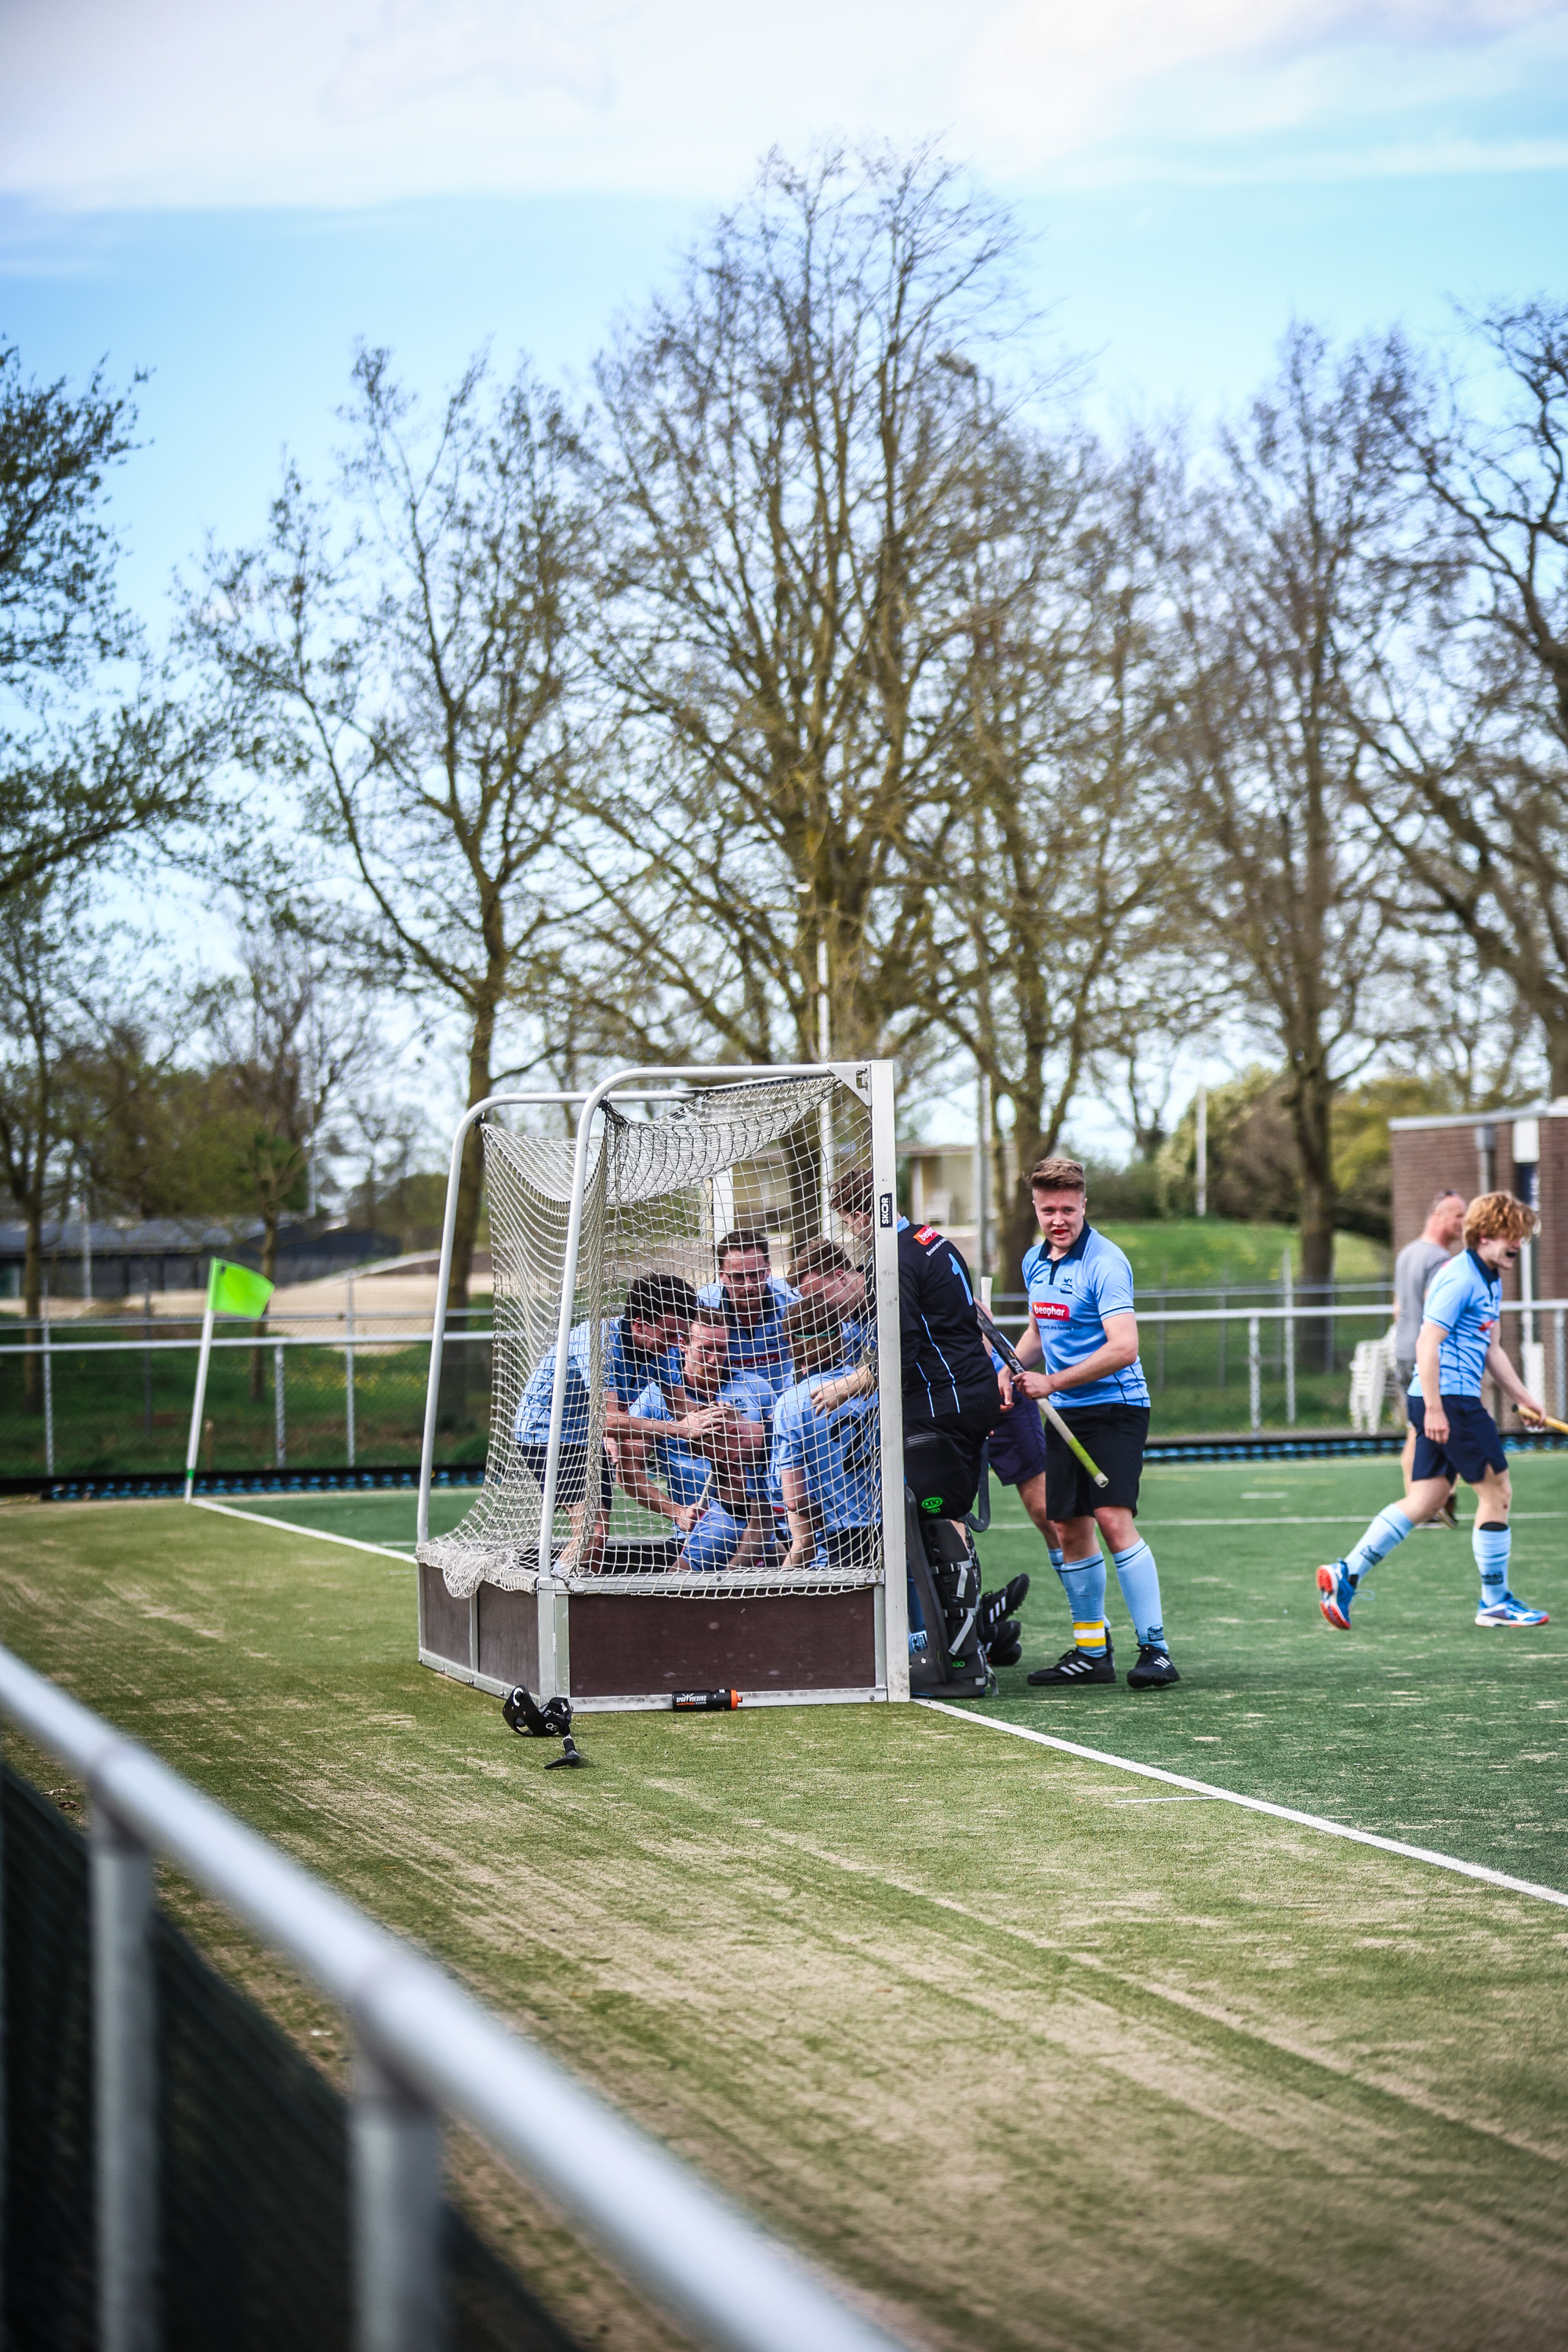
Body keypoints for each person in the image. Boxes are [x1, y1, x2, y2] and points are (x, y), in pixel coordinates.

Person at [1318, 1191, 1551, 1632]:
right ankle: (1496, 1604)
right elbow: (1428, 1342)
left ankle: (1346, 1574)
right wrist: (1435, 1409)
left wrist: (1524, 1397)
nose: (1518, 1244)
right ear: (1483, 1235)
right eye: (1510, 1235)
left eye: (1521, 1235)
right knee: (1497, 1493)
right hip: (1451, 1400)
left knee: (1425, 1500)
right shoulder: (1460, 1277)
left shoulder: (1491, 1277)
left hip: (1450, 1398)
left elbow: (1492, 1349)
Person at [1011, 1154, 1178, 1691]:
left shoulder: (1107, 1262)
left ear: (1084, 1204)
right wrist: (1011, 1369)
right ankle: (1090, 1652)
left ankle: (1156, 1650)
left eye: (1067, 1208)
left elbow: (1125, 1348)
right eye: (1047, 1209)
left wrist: (1053, 1384)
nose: (1058, 1219)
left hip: (1115, 1408)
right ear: (1035, 1208)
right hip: (1066, 1415)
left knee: (1110, 1518)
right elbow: (1040, 1331)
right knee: (1068, 1526)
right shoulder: (1035, 1261)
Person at [822, 1167, 996, 1518]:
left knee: (932, 1514)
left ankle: (956, 1574)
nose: (851, 1233)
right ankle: (960, 1571)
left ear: (859, 1216)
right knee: (947, 1510)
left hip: (942, 1403)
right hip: (973, 1391)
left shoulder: (891, 1260)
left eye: (847, 1223)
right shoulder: (930, 1238)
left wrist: (851, 1384)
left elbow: (902, 1342)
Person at [512, 1270, 699, 1571]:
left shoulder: (663, 1349)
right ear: (639, 1325)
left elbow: (682, 1407)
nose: (677, 1344)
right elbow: (609, 1420)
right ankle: (549, 1607)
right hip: (547, 1432)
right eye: (668, 1335)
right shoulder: (600, 1340)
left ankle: (576, 1608)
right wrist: (680, 1429)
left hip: (589, 1433)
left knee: (598, 1542)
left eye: (681, 1335)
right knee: (592, 1533)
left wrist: (719, 1418)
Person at [619, 1313, 776, 1571]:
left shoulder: (756, 1388)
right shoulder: (656, 1397)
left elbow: (779, 1451)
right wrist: (676, 1511)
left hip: (757, 1527)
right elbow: (627, 1471)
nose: (714, 1359)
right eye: (705, 1350)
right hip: (692, 1534)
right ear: (683, 1345)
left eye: (722, 1349)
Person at [771, 1295, 882, 1570]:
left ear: (791, 1345)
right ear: (841, 1338)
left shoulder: (791, 1403)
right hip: (894, 1521)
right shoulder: (874, 1385)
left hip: (843, 1534)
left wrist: (818, 1513)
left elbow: (794, 1498)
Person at [1393, 1189, 1466, 1507]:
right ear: (1438, 1216)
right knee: (1445, 1426)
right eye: (1458, 1215)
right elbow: (1438, 1309)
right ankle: (1433, 1502)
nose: (1464, 1223)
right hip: (1428, 1354)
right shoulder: (1439, 1259)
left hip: (1403, 1348)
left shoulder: (1407, 1252)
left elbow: (1398, 1308)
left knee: (1415, 1431)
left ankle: (1417, 1502)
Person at [699, 1229, 800, 1399]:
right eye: (738, 1277)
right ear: (722, 1275)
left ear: (768, 1269)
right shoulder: (702, 1306)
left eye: (755, 1275)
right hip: (727, 1401)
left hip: (784, 1399)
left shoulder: (791, 1300)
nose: (748, 1286)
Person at [789, 1235, 873, 1363]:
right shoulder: (846, 1326)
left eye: (818, 1297)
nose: (819, 1309)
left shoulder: (893, 1282)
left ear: (840, 1278)